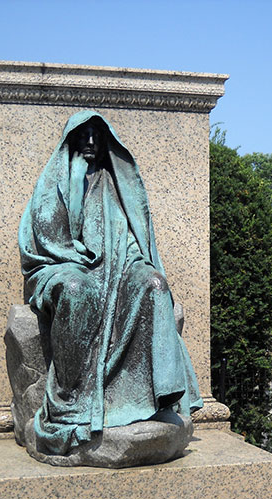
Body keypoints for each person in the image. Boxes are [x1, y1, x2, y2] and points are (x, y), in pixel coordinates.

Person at [18, 110, 202, 458]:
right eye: (83, 134)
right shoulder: (54, 180)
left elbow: (133, 238)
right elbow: (41, 237)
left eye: (96, 135)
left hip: (120, 266)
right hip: (63, 265)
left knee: (154, 284)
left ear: (106, 142)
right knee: (76, 291)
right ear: (71, 139)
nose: (90, 141)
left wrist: (131, 266)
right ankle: (70, 402)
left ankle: (157, 396)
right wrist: (75, 259)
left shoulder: (117, 183)